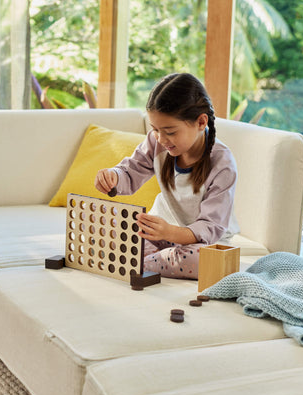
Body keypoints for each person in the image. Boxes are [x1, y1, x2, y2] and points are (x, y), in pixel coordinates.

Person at [95, 73, 239, 279]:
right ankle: (153, 260)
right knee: (114, 232)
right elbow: (131, 170)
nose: (161, 139)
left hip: (204, 243)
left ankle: (139, 263)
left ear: (200, 122)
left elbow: (210, 227)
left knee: (202, 260)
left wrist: (171, 233)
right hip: (159, 233)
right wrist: (113, 176)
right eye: (155, 130)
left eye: (170, 132)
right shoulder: (157, 142)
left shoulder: (222, 164)